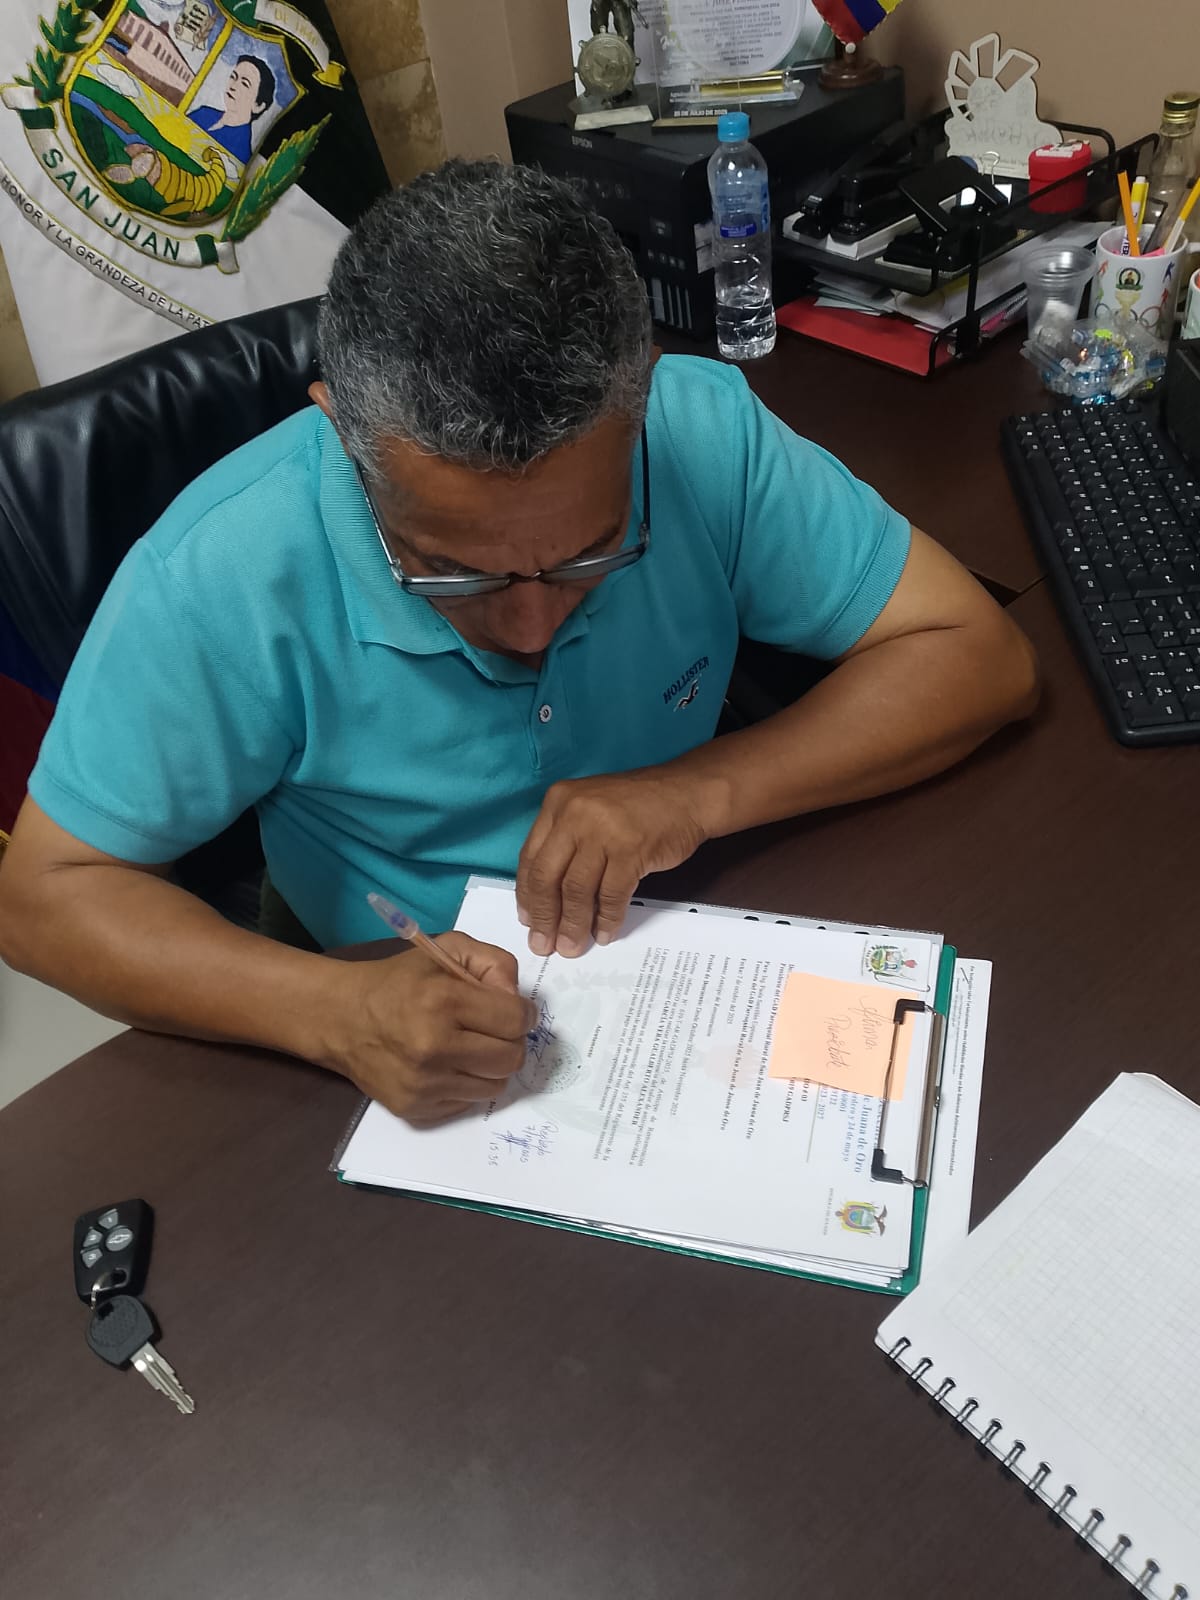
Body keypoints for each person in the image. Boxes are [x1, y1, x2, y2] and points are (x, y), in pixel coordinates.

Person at [0, 160, 1037, 1126]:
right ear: (343, 434)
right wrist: (335, 1012)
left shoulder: (700, 431)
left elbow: (976, 653)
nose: (535, 626)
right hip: (394, 985)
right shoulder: (219, 570)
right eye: (455, 572)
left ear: (643, 406)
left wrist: (693, 791)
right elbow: (43, 896)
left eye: (591, 554)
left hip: (690, 928)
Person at [189, 54, 275, 165]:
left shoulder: (240, 151)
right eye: (233, 77)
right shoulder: (204, 113)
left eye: (244, 84)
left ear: (258, 106)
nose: (233, 86)